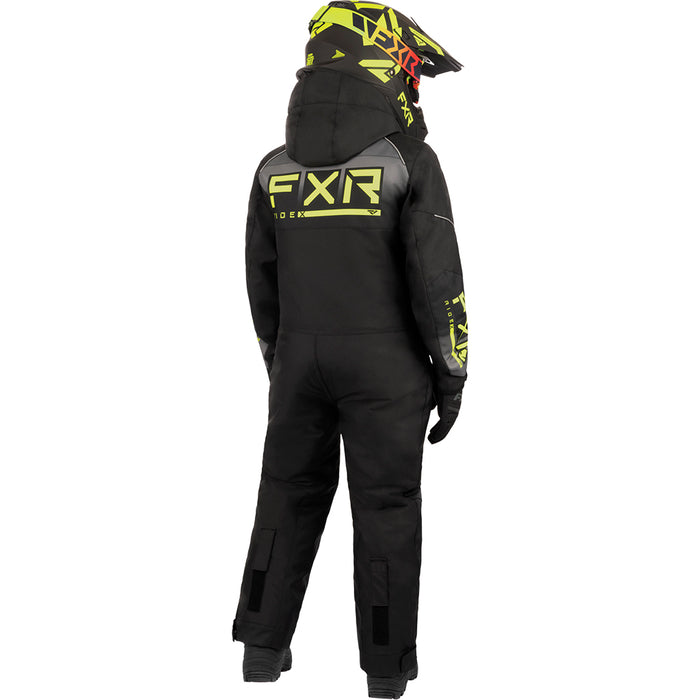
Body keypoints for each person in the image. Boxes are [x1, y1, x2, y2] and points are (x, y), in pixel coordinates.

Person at [231, 2, 468, 697]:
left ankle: (260, 651)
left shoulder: (272, 168)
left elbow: (260, 280)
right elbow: (437, 283)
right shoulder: (407, 160)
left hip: (298, 361)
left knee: (284, 497)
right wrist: (452, 375)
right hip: (387, 369)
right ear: (387, 67)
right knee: (386, 511)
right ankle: (386, 672)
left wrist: (280, 363)